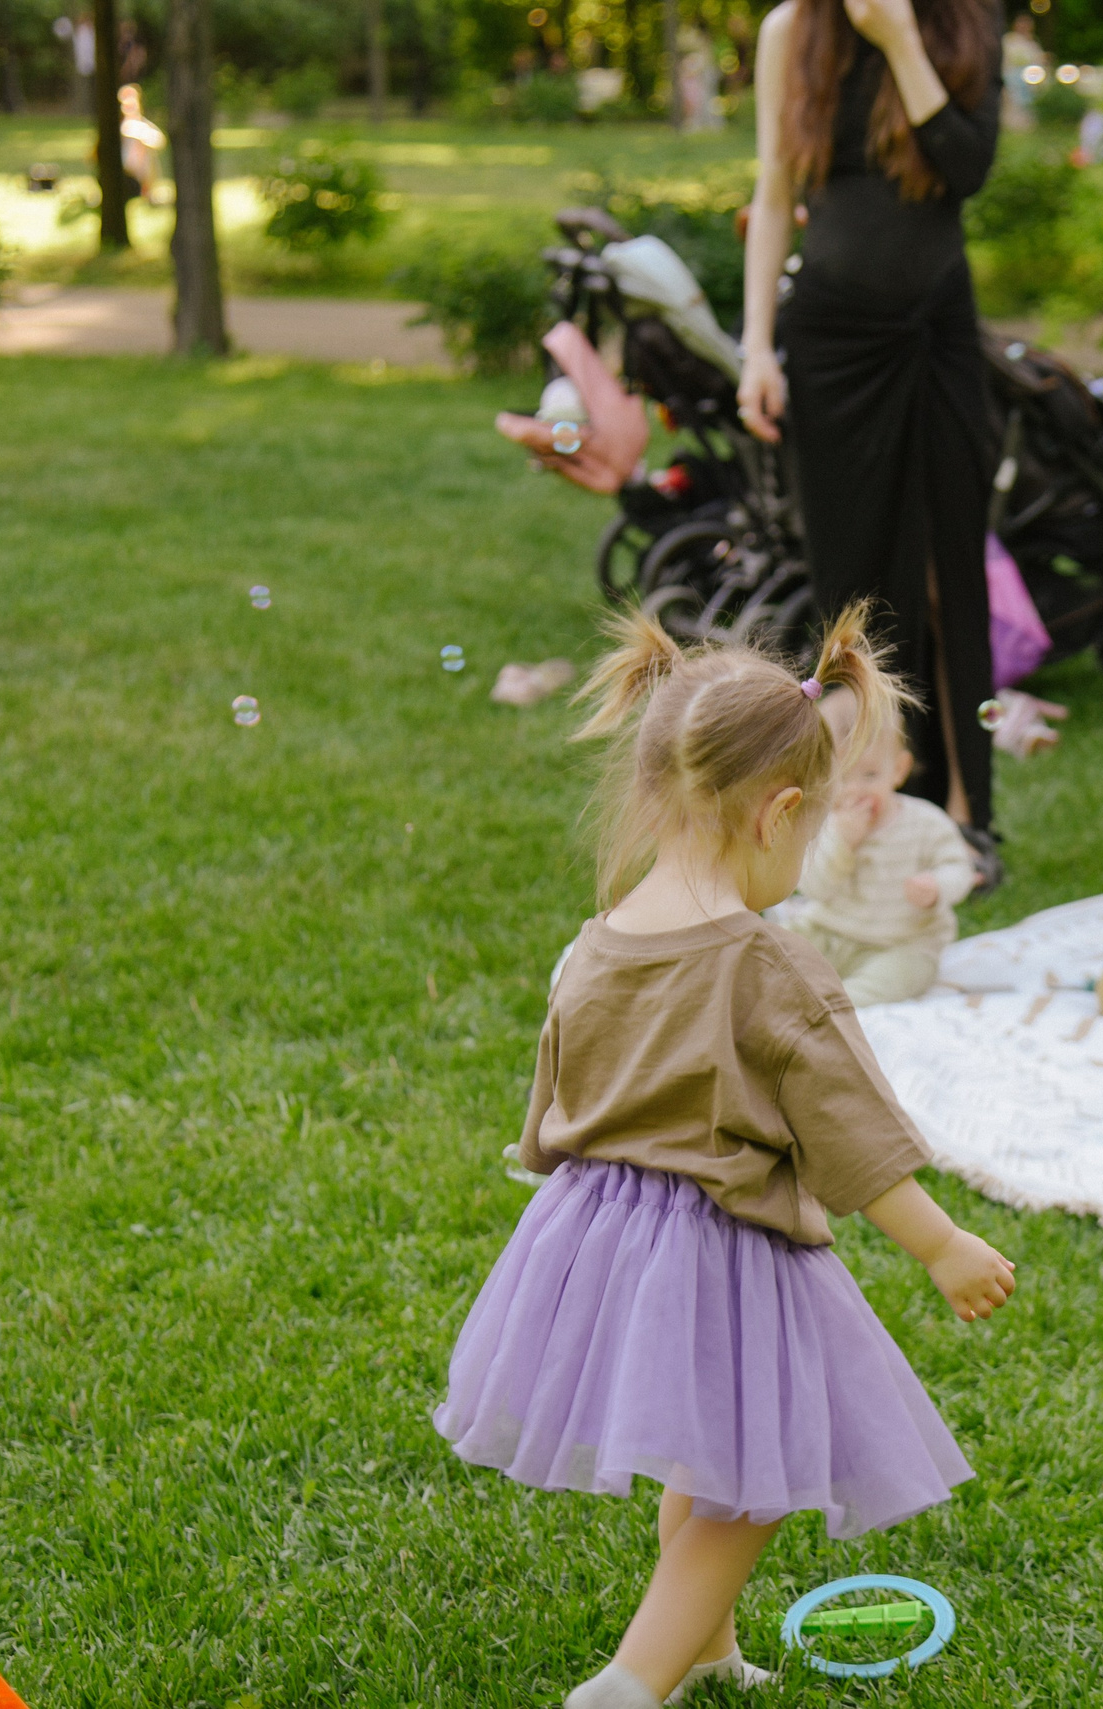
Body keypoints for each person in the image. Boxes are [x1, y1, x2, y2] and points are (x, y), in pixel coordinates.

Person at [433, 608, 1018, 1709]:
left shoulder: (598, 938)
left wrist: (550, 1168)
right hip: (722, 1243)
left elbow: (557, 1083)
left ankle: (705, 1652)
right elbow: (849, 1130)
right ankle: (630, 1680)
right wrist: (942, 1244)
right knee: (751, 1487)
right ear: (779, 814)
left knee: (709, 1453)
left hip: (597, 1232)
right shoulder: (768, 965)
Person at [738, 0, 1008, 889]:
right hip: (832, 344)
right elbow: (774, 191)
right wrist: (756, 348)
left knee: (946, 573)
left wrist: (897, 38)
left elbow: (967, 168)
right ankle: (856, 811)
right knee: (850, 585)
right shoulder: (792, 31)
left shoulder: (967, 19)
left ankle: (967, 815)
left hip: (935, 333)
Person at [788, 718, 977, 1004]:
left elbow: (959, 868)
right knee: (779, 949)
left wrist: (937, 886)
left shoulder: (926, 822)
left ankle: (840, 1003)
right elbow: (814, 888)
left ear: (898, 769)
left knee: (900, 973)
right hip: (830, 932)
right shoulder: (825, 826)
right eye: (842, 778)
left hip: (902, 942)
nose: (855, 789)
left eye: (870, 775)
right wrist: (843, 843)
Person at [116, 84, 166, 205]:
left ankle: (148, 192)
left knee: (148, 152)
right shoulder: (118, 126)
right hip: (124, 171)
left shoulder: (143, 124)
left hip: (140, 173)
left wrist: (142, 136)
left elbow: (160, 141)